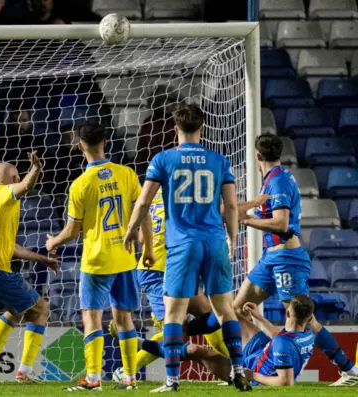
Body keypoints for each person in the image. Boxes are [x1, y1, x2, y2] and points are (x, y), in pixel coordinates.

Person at [123, 103, 251, 392]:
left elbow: (143, 201)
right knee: (225, 311)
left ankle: (172, 380)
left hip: (182, 244)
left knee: (173, 315)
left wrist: (131, 230)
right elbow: (230, 205)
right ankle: (238, 370)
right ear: (202, 128)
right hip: (215, 241)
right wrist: (231, 236)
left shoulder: (163, 159)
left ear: (175, 128)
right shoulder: (219, 160)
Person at [235, 133, 358, 387]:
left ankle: (349, 370)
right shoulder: (271, 179)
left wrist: (247, 220)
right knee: (238, 308)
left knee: (306, 318)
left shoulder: (278, 181)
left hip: (287, 259)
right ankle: (251, 366)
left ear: (258, 156)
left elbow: (281, 224)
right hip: (271, 257)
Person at [46, 121, 141, 391]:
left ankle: (93, 378)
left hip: (97, 261)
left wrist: (53, 241)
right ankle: (130, 377)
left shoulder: (80, 184)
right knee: (124, 318)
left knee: (92, 318)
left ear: (79, 146)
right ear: (105, 143)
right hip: (124, 258)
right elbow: (140, 210)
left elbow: (72, 231)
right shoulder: (127, 174)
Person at [0, 153, 60, 383]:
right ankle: (25, 371)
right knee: (42, 308)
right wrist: (37, 167)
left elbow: (11, 247)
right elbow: (26, 186)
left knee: (17, 309)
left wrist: (43, 259)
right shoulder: (5, 194)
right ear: (13, 176)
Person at [137, 295, 317, 387]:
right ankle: (181, 328)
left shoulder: (283, 344)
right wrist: (259, 318)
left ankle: (140, 341)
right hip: (263, 352)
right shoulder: (306, 334)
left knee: (195, 350)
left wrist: (253, 376)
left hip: (253, 371)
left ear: (287, 313)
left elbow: (286, 382)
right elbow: (280, 338)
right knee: (230, 315)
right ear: (308, 319)